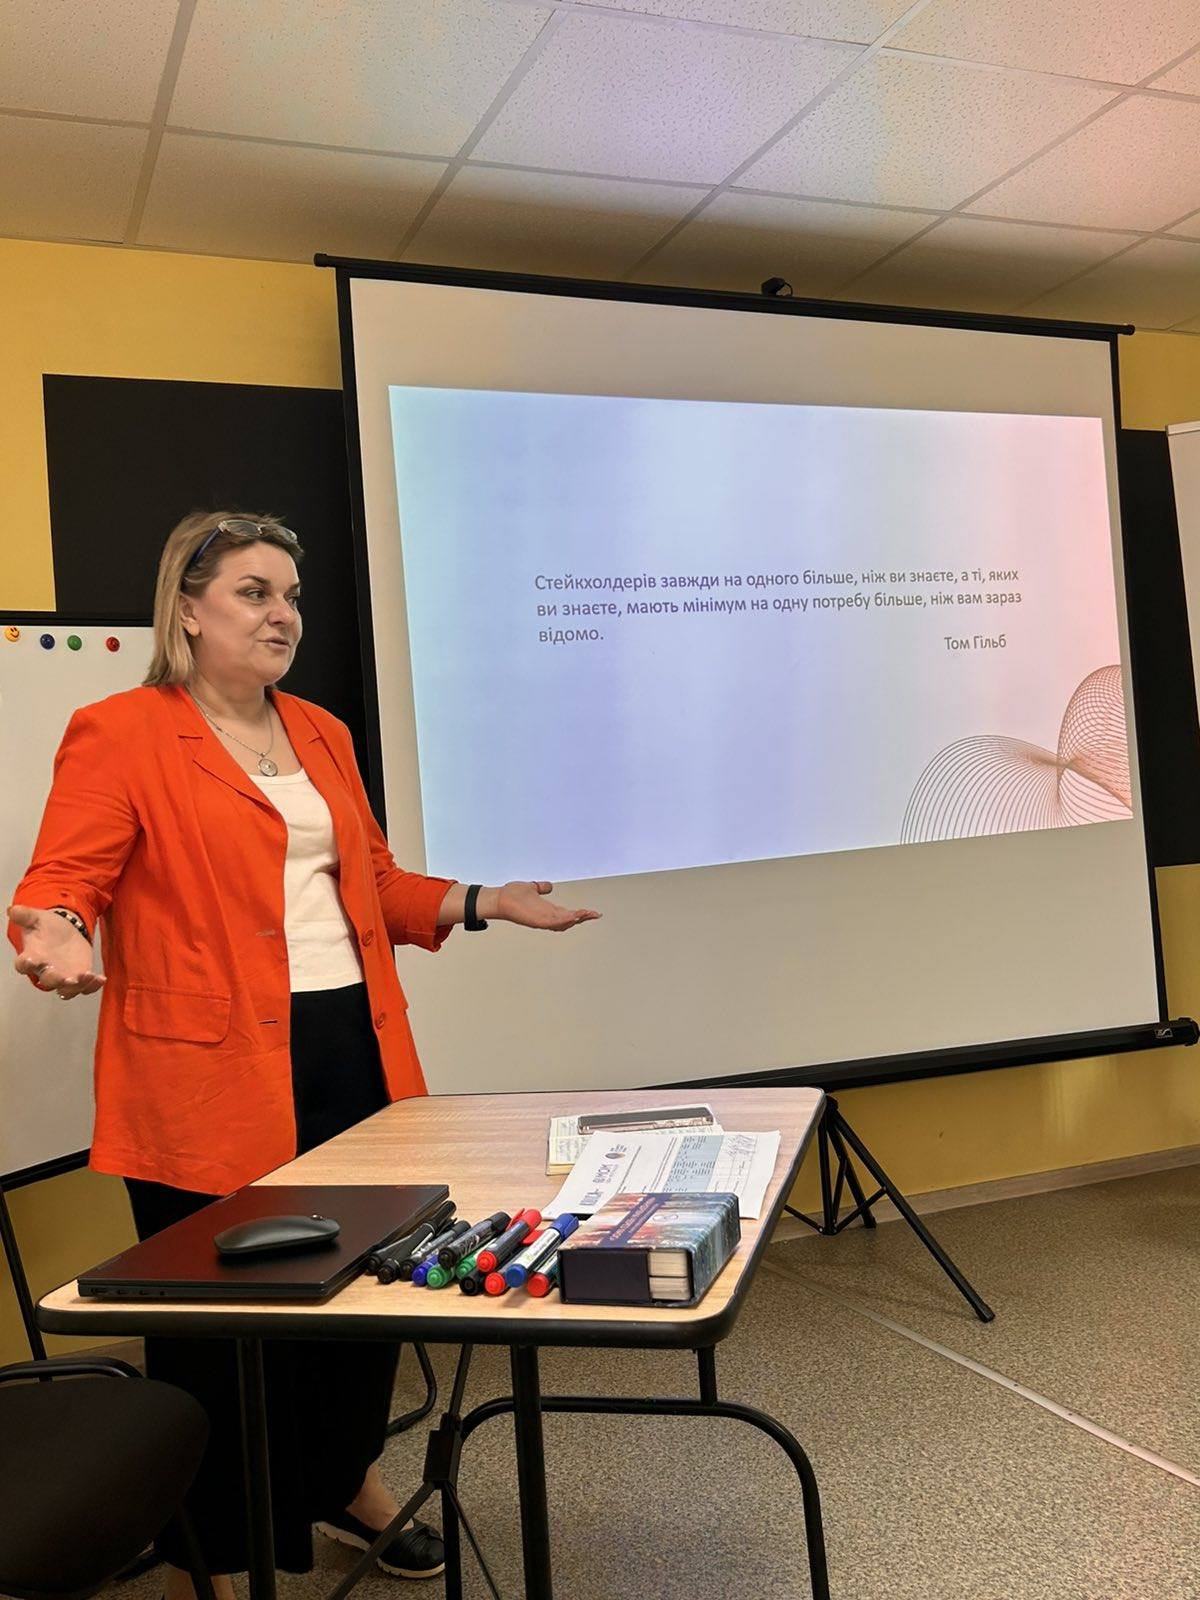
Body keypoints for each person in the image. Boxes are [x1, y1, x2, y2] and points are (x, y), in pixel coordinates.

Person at [7, 511, 600, 1593]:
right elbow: (65, 877)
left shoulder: (320, 729)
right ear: (188, 607)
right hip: (207, 1071)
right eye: (253, 592)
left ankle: (344, 1480)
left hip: (352, 1051)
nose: (282, 614)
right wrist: (53, 930)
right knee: (223, 1323)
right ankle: (217, 1544)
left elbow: (374, 883)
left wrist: (483, 900)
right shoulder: (123, 730)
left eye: (290, 596)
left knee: (366, 1289)